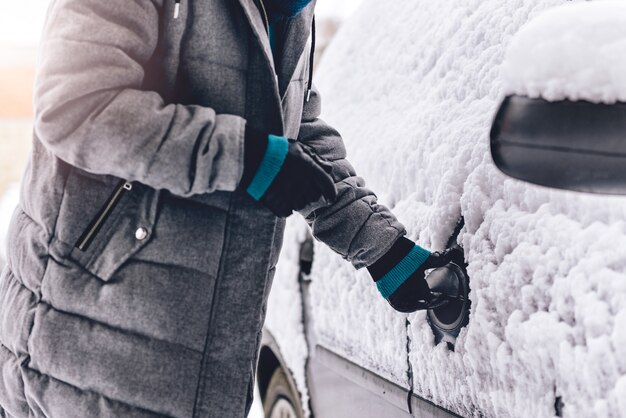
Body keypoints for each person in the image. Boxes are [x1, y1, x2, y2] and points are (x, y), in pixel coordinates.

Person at [0, 0, 460, 417]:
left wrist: (382, 248)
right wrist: (245, 159)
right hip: (84, 341)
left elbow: (295, 130)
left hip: (199, 352)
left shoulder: (295, 10)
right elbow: (77, 105)